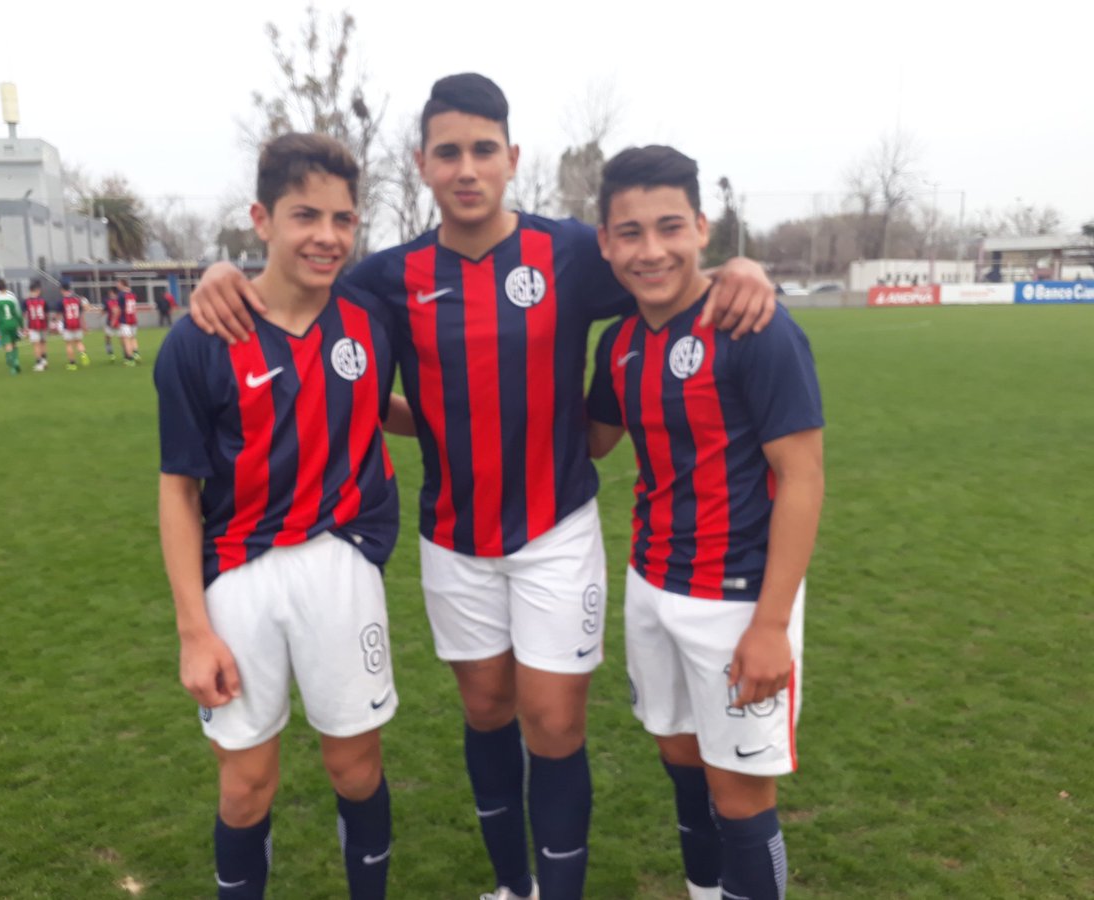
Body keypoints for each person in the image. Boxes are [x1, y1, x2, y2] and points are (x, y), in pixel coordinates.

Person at [189, 74, 776, 900]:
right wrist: (223, 273)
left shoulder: (571, 252)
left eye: (483, 150)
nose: (467, 168)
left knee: (556, 723)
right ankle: (513, 885)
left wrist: (742, 265)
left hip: (555, 528)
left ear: (512, 158)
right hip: (454, 537)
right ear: (422, 165)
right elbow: (298, 301)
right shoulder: (385, 277)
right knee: (488, 711)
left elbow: (666, 269)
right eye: (449, 152)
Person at [155, 132, 407, 900]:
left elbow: (377, 409)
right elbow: (178, 490)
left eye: (342, 218)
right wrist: (194, 632)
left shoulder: (371, 317)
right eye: (305, 215)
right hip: (239, 575)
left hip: (340, 563)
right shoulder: (200, 340)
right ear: (261, 219)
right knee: (245, 787)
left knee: (356, 769)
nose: (327, 236)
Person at [585, 146, 824, 900]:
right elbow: (589, 440)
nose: (651, 251)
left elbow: (803, 479)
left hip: (737, 599)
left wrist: (770, 627)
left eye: (669, 227)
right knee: (684, 766)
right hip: (651, 584)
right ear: (605, 242)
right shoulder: (619, 343)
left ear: (701, 227)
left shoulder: (755, 327)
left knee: (741, 798)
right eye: (630, 232)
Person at [0, 278, 24, 374]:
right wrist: (21, 325)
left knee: (7, 344)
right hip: (13, 323)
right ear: (6, 286)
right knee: (14, 343)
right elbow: (18, 313)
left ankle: (12, 365)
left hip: (3, 324)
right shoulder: (12, 297)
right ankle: (16, 360)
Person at [57, 279, 91, 370]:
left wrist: (56, 322)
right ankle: (83, 354)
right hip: (77, 324)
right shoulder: (77, 300)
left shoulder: (62, 301)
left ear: (62, 290)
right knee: (78, 342)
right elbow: (81, 315)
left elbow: (59, 314)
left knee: (69, 344)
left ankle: (72, 364)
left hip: (67, 325)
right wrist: (84, 326)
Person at [24, 280, 50, 372]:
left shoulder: (26, 301)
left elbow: (25, 314)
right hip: (43, 324)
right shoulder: (43, 300)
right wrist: (47, 324)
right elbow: (47, 314)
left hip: (33, 325)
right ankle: (44, 360)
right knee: (43, 343)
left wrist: (25, 327)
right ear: (38, 290)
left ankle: (39, 364)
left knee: (36, 345)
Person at [116, 277, 141, 364]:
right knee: (133, 338)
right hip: (133, 319)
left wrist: (116, 320)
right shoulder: (132, 293)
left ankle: (130, 359)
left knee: (126, 340)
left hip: (125, 320)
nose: (117, 285)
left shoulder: (121, 294)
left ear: (122, 284)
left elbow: (119, 308)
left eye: (118, 283)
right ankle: (136, 353)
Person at [102, 287, 120, 361]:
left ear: (113, 293)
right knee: (108, 337)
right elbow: (105, 310)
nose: (109, 294)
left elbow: (114, 311)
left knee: (109, 338)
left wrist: (113, 321)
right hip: (119, 322)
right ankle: (111, 353)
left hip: (113, 323)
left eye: (111, 292)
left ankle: (111, 353)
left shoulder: (109, 301)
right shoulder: (119, 300)